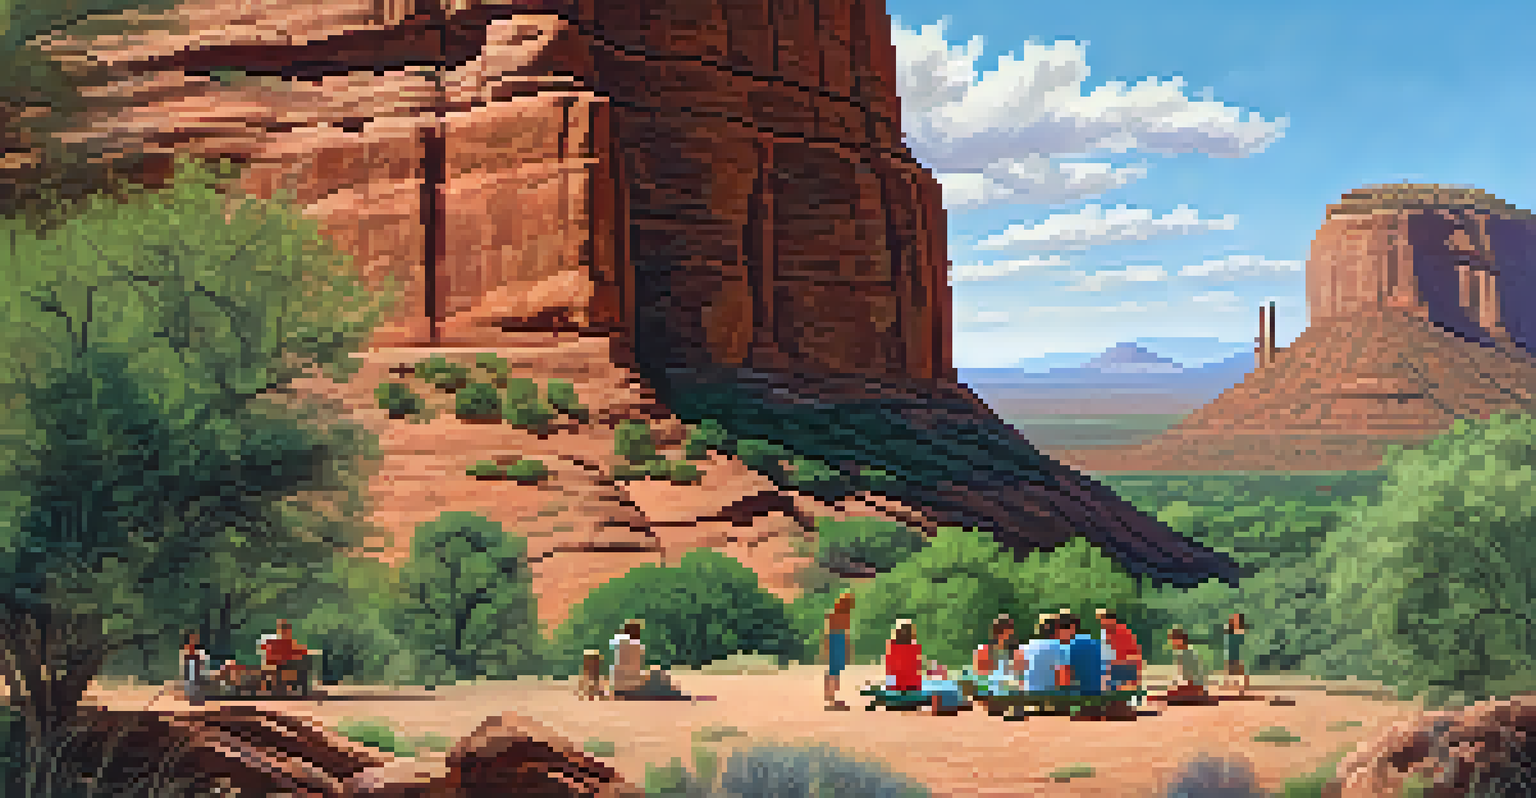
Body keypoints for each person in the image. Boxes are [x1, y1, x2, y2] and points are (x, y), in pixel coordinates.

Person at [609, 619, 684, 700]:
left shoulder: (618, 643)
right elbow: (634, 672)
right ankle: (677, 695)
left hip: (618, 688)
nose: (639, 633)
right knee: (660, 678)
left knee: (658, 677)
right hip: (631, 688)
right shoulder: (635, 646)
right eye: (637, 630)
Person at [1018, 614, 1072, 694]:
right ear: (1055, 630)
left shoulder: (1028, 646)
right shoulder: (1059, 648)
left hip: (1029, 692)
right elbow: (1064, 679)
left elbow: (1019, 670)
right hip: (1050, 694)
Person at [821, 592, 854, 711]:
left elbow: (827, 633)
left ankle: (831, 697)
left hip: (834, 641)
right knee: (834, 671)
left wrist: (826, 647)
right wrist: (847, 649)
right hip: (837, 642)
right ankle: (831, 698)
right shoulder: (843, 616)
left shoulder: (832, 615)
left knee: (833, 670)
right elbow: (845, 634)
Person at [1097, 609, 1143, 691]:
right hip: (1111, 668)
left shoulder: (1123, 632)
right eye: (1101, 620)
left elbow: (1134, 656)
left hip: (1124, 668)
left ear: (1113, 620)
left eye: (1104, 619)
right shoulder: (1104, 633)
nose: (1103, 623)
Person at [260, 619, 310, 692]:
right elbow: (270, 658)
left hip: (287, 665)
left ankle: (298, 686)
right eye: (284, 630)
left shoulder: (291, 643)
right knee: (294, 664)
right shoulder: (273, 643)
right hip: (279, 665)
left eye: (287, 630)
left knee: (302, 663)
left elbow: (301, 652)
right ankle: (288, 685)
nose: (286, 632)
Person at [1165, 627, 1208, 698]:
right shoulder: (1184, 654)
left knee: (1170, 695)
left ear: (1181, 640)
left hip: (1196, 689)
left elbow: (1192, 680)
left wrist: (1179, 688)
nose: (1172, 642)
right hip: (1195, 688)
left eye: (1174, 640)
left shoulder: (1187, 655)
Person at [884, 619, 922, 692]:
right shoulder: (914, 647)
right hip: (910, 686)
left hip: (902, 686)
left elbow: (891, 668)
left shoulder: (892, 646)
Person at [1222, 613, 1249, 697]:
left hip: (1239, 654)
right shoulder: (1229, 631)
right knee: (1230, 670)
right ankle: (1231, 686)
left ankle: (1242, 687)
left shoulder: (1242, 631)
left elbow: (1243, 644)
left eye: (1236, 618)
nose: (1234, 620)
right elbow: (1227, 644)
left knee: (1240, 670)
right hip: (1231, 653)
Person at [181, 631, 210, 703]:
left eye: (194, 638)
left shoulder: (200, 651)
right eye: (191, 638)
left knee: (196, 685)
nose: (193, 640)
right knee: (191, 683)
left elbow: (204, 661)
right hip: (190, 669)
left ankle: (197, 698)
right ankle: (192, 697)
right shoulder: (186, 650)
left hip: (197, 671)